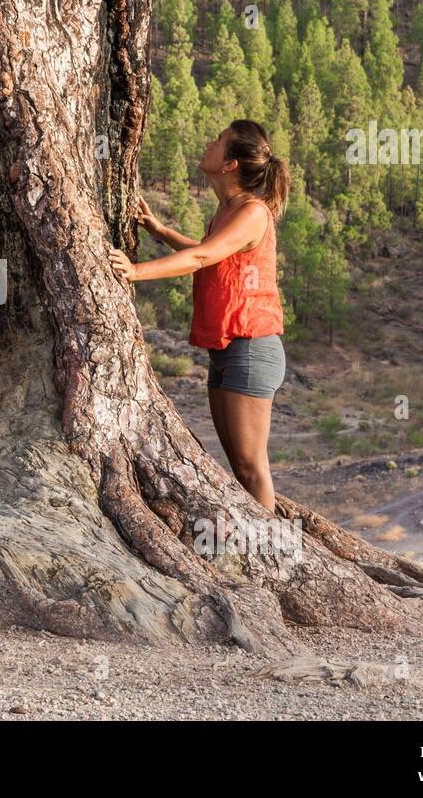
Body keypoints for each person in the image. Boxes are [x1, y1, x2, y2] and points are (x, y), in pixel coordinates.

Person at [108, 120, 290, 512]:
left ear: (230, 165)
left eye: (219, 141)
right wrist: (160, 230)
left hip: (252, 350)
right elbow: (211, 253)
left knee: (251, 467)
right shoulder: (227, 210)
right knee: (239, 469)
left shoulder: (254, 212)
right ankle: (256, 547)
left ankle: (272, 553)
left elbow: (203, 257)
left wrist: (136, 271)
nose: (209, 142)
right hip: (226, 351)